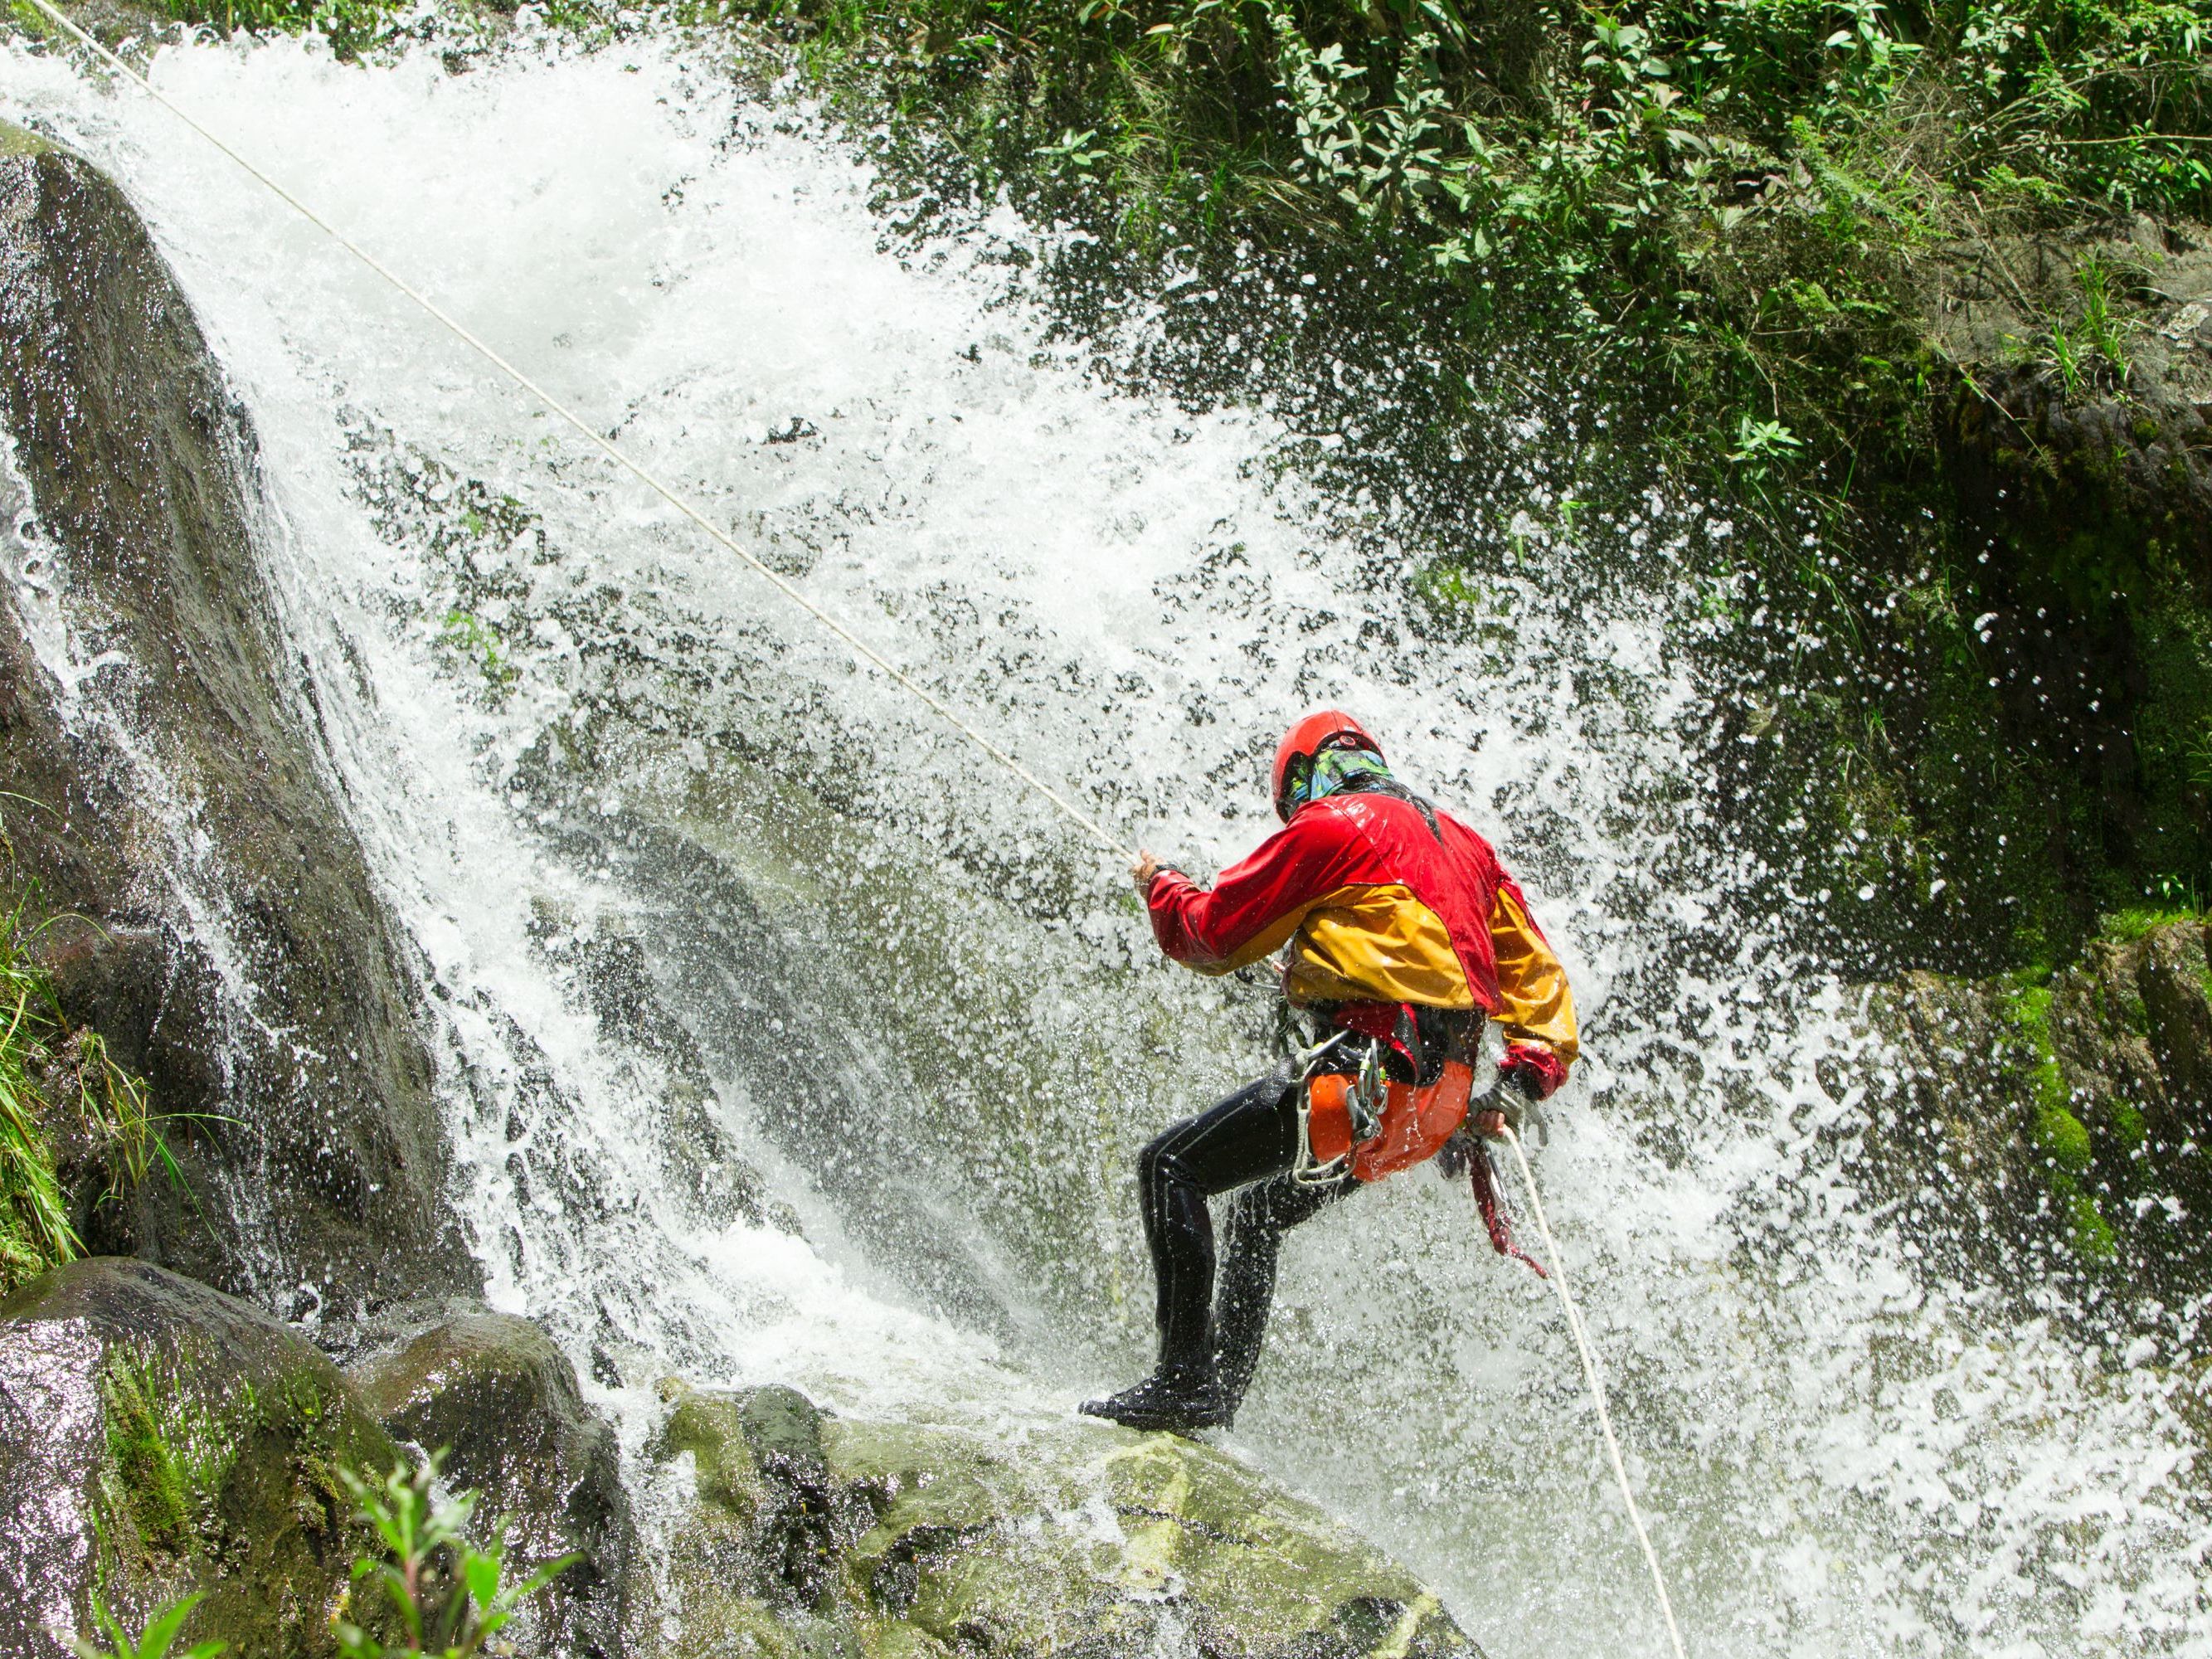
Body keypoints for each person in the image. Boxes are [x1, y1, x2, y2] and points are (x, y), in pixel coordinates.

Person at [1081, 710, 1578, 1433]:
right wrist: (1522, 1082)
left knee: (1169, 1167)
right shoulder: (1466, 846)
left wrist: (1161, 885)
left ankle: (1183, 1383)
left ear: (1300, 779)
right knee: (1259, 1212)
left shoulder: (1330, 826)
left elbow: (1214, 934)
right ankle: (1214, 1402)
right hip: (1435, 1109)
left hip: (1366, 1078)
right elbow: (1538, 979)